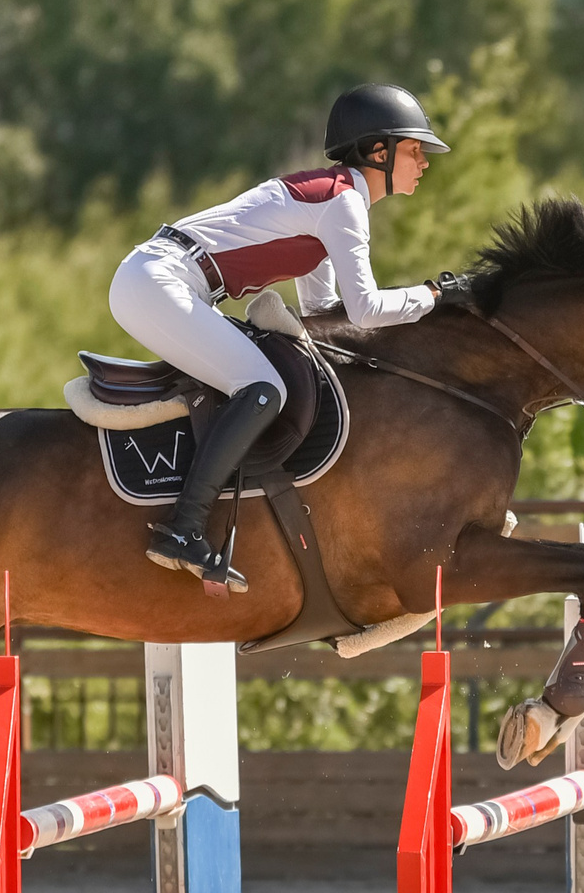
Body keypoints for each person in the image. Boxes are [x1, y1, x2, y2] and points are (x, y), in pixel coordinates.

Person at [109, 82, 454, 591]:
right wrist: (435, 296)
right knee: (264, 388)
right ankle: (183, 529)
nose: (424, 161)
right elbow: (364, 310)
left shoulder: (333, 198)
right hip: (160, 281)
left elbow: (322, 310)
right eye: (413, 149)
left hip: (161, 277)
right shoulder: (343, 204)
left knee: (262, 378)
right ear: (377, 152)